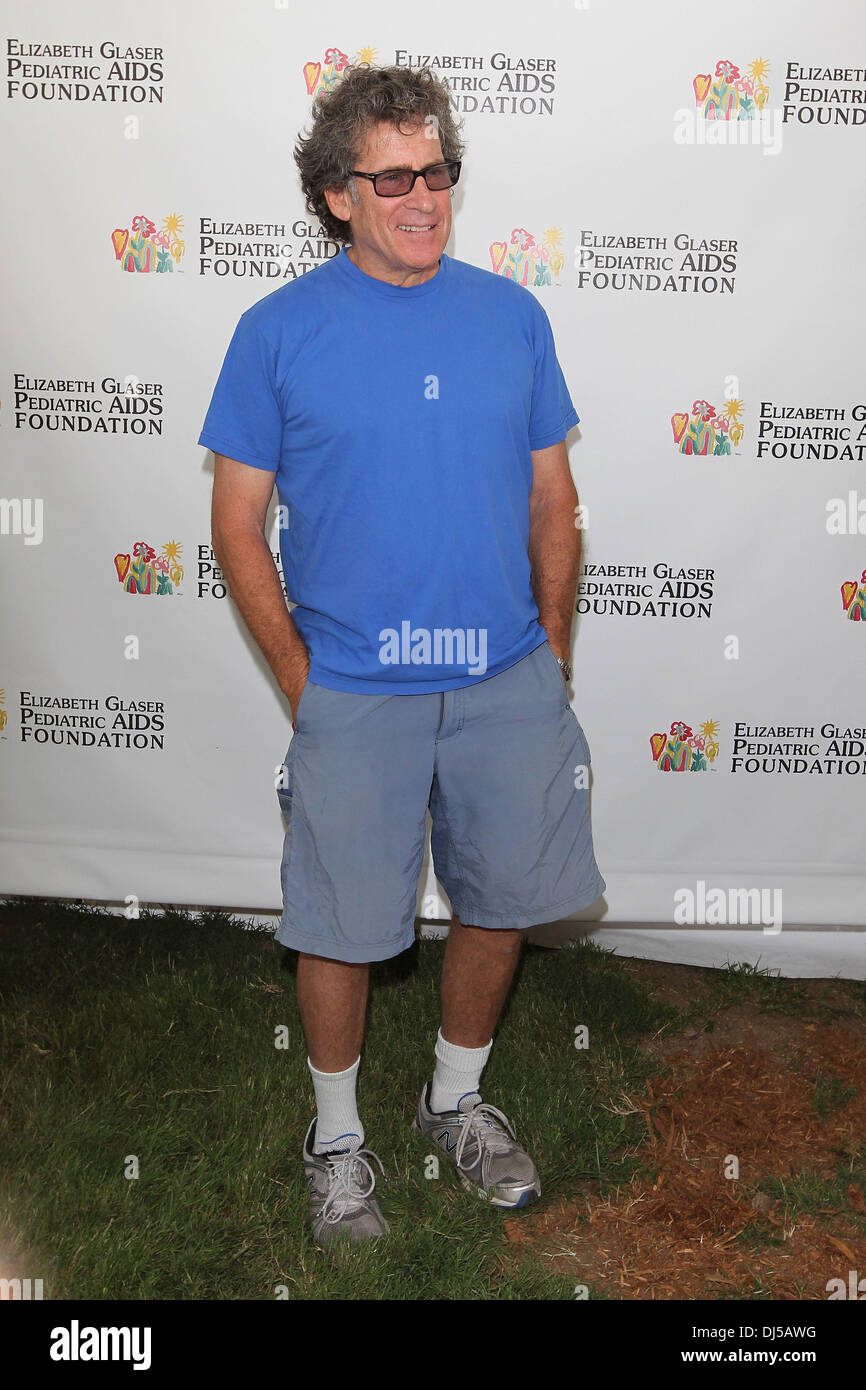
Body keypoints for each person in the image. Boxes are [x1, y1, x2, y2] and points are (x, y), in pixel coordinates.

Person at [198, 63, 605, 1251]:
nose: (422, 196)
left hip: (505, 680)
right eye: (393, 177)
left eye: (436, 171)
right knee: (337, 922)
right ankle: (335, 1140)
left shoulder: (508, 315)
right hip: (354, 691)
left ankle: (453, 1101)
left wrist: (553, 660)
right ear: (337, 194)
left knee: (503, 898)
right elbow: (234, 527)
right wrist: (301, 680)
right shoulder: (273, 332)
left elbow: (551, 502)